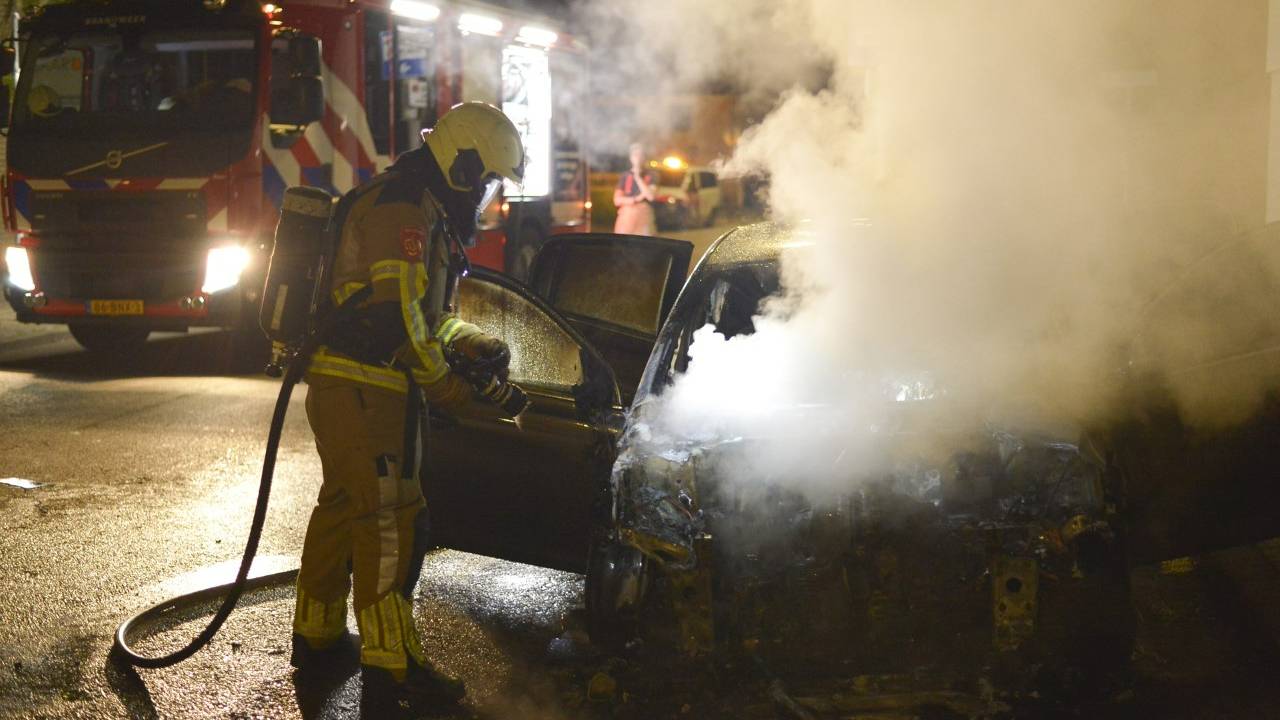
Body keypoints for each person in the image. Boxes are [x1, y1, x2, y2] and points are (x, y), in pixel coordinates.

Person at [289, 102, 526, 708]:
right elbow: (397, 316)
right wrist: (445, 383)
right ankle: (392, 667)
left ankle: (316, 636)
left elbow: (419, 313)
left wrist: (462, 338)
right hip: (370, 388)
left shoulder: (413, 203)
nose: (487, 194)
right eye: (489, 179)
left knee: (346, 504)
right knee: (391, 520)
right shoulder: (404, 209)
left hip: (346, 384)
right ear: (465, 165)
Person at [613, 142, 657, 234]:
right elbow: (617, 200)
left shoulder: (651, 175)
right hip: (626, 217)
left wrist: (638, 177)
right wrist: (636, 199)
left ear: (644, 157)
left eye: (640, 155)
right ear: (631, 158)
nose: (638, 158)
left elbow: (650, 196)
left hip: (644, 217)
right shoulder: (625, 176)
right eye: (635, 155)